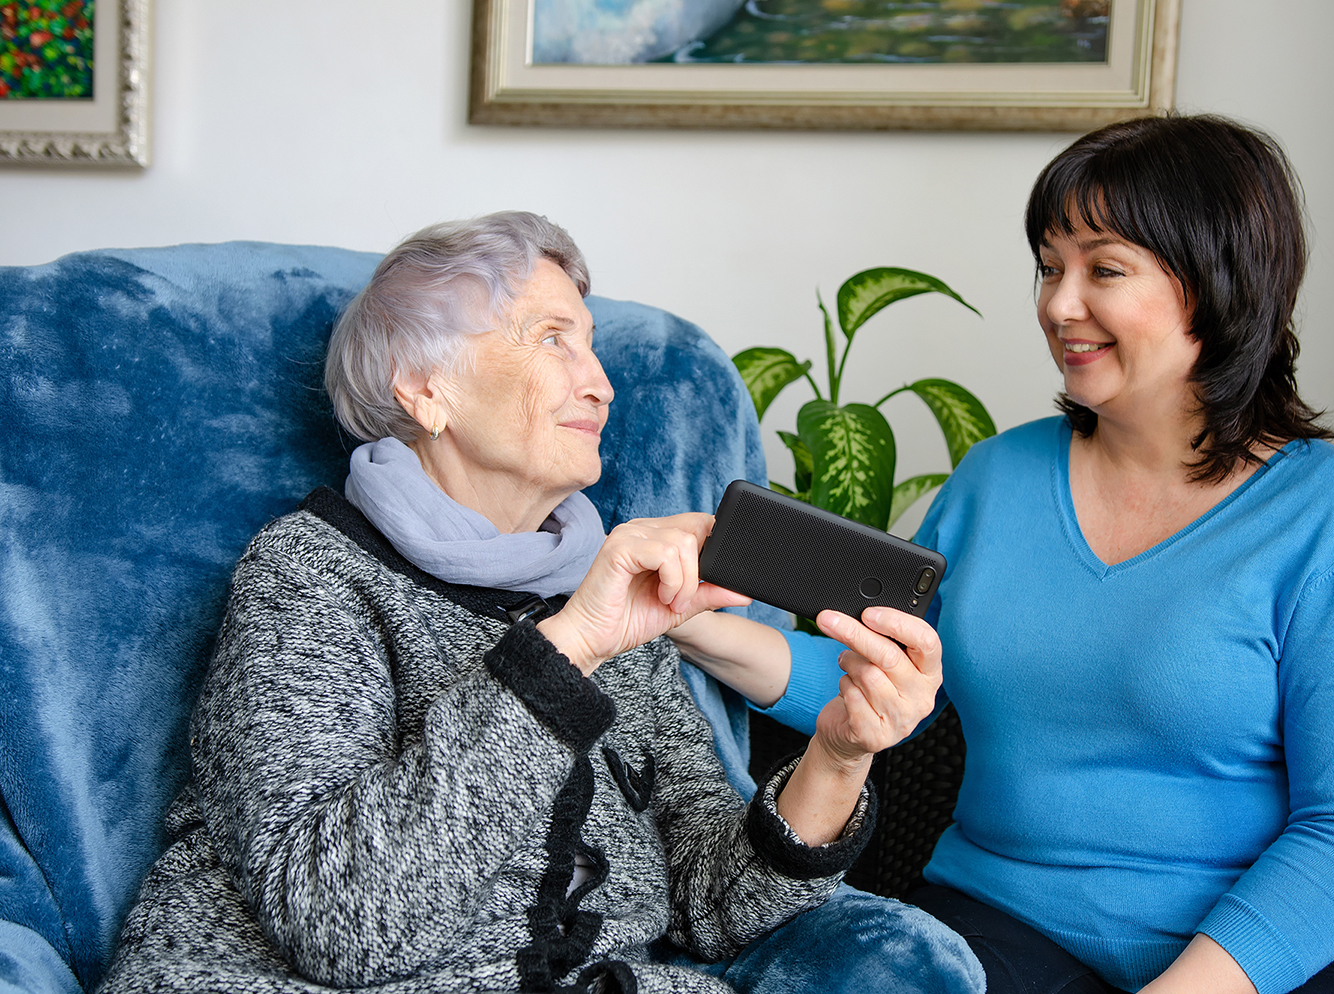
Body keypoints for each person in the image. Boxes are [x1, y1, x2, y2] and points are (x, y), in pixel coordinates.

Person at [98, 212, 984, 994]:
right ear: (423, 389)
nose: (600, 381)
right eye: (551, 338)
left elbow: (714, 905)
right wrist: (570, 649)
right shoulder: (308, 575)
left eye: (591, 344)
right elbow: (343, 924)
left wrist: (837, 753)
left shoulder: (612, 598)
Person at [670, 115, 1334, 994]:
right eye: (1049, 266)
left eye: (1103, 269)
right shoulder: (998, 478)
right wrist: (692, 622)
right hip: (1002, 927)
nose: (1059, 305)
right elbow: (868, 675)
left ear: (1220, 284)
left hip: (1277, 960)